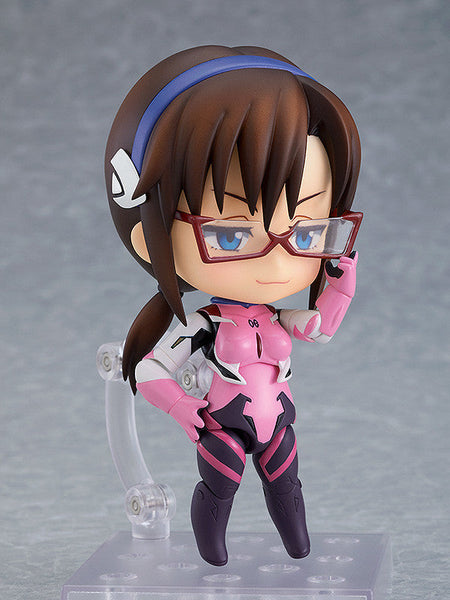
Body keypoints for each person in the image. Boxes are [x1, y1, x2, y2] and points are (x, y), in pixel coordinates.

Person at [105, 45, 362, 566]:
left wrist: (342, 285)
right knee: (220, 491)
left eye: (307, 232)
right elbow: (150, 370)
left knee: (287, 487)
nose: (276, 261)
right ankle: (213, 562)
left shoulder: (279, 316)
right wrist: (185, 410)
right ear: (149, 235)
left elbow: (320, 327)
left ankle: (299, 550)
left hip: (277, 423)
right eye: (230, 236)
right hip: (219, 424)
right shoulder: (205, 324)